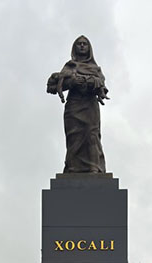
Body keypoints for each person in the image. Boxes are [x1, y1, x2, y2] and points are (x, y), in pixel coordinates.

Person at [46, 35, 108, 173]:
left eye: (84, 44)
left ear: (89, 48)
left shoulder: (95, 69)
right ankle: (72, 167)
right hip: (73, 106)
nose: (81, 46)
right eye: (79, 44)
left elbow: (101, 85)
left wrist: (89, 82)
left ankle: (94, 167)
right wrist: (72, 82)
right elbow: (55, 86)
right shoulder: (69, 66)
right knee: (74, 137)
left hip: (89, 106)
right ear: (74, 48)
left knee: (91, 135)